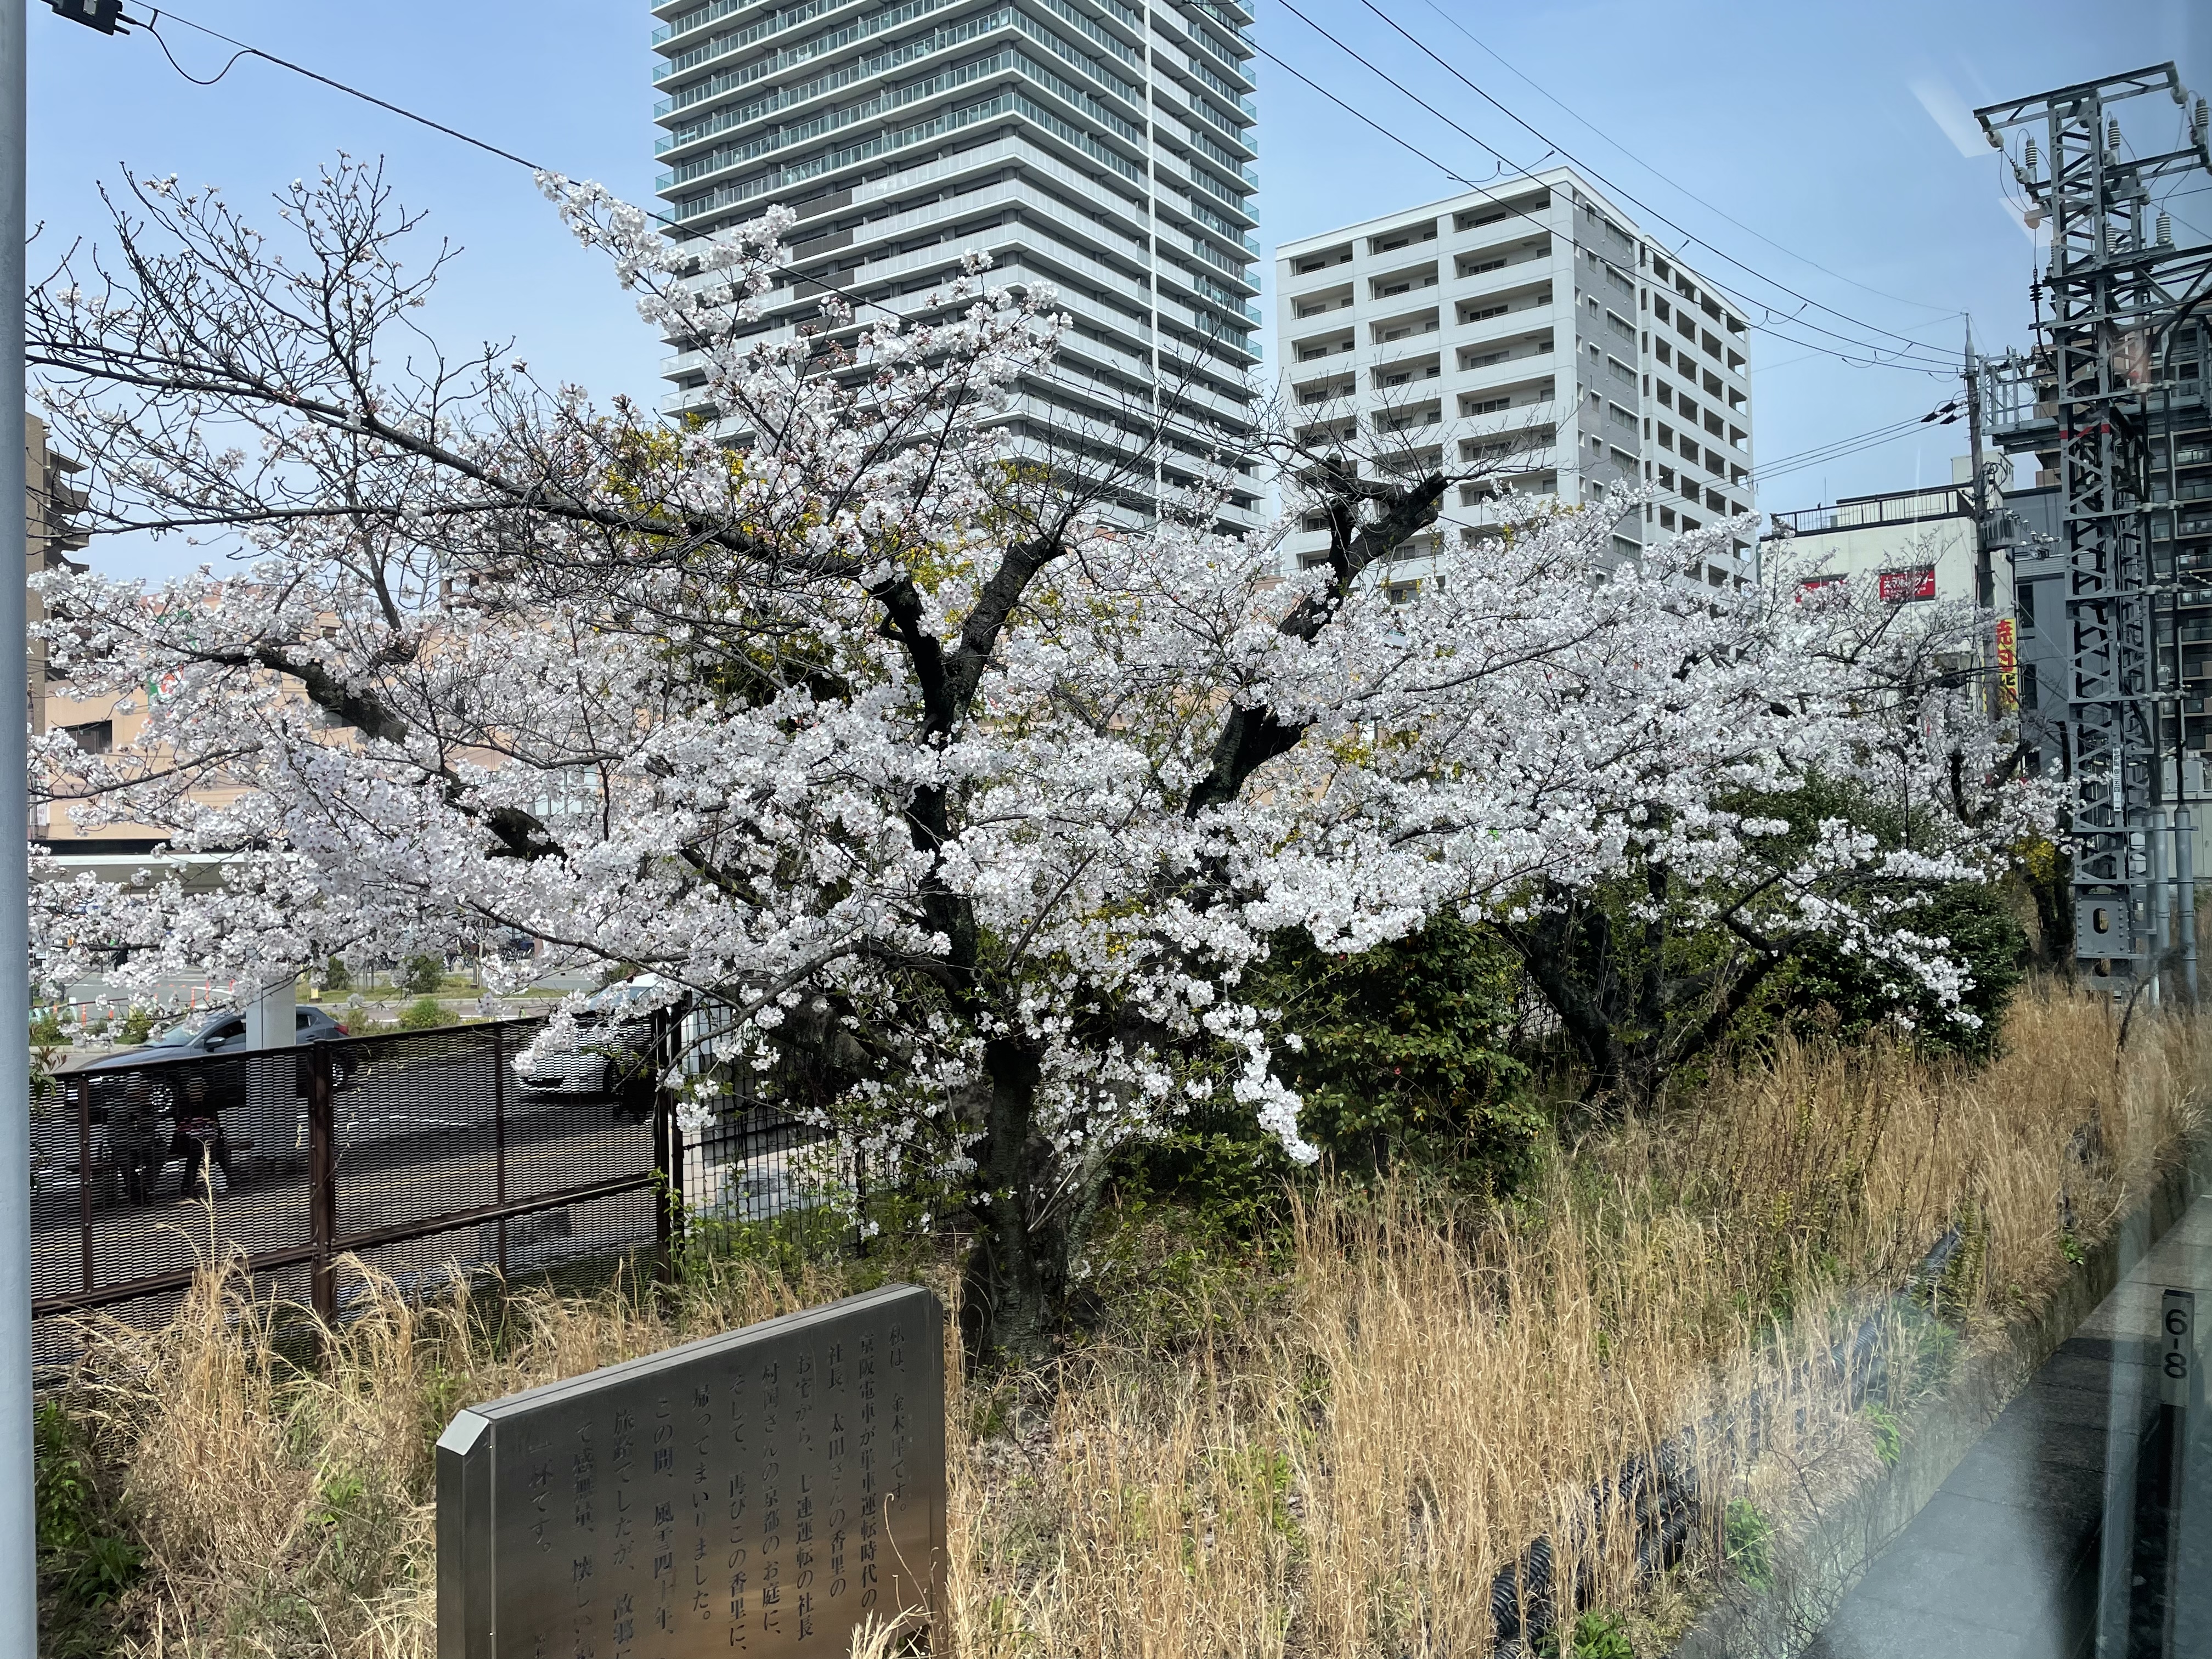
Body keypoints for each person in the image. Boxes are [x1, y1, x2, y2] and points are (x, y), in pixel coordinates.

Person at [170, 1071, 236, 1200]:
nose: (198, 1093)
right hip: (187, 1141)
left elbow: (216, 1125)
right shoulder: (182, 1104)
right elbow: (181, 1126)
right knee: (196, 1151)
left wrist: (214, 1134)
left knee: (220, 1149)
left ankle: (230, 1179)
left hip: (208, 1138)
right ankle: (187, 1186)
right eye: (195, 1090)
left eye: (200, 1090)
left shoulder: (208, 1104)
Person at [106, 1073, 167, 1205]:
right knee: (126, 1162)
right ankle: (138, 1192)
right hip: (124, 1146)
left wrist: (148, 1110)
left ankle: (141, 1187)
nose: (149, 1092)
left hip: (144, 1146)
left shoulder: (147, 1106)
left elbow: (152, 1126)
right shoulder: (120, 1106)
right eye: (145, 1089)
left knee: (160, 1152)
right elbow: (127, 1130)